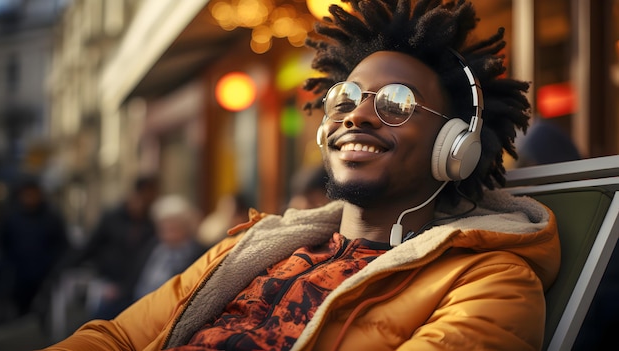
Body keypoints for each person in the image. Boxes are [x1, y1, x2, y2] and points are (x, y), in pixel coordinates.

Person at [41, 1, 560, 350]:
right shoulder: (251, 246)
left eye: (397, 103)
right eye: (346, 100)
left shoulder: (490, 281)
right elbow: (116, 337)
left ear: (456, 148)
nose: (356, 116)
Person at [58, 174, 159, 320]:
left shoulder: (151, 223)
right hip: (109, 282)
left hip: (135, 285)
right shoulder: (112, 218)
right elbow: (91, 246)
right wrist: (64, 267)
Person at [0, 174, 69, 318]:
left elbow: (62, 247)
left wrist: (55, 270)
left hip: (45, 279)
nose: (30, 197)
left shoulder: (51, 218)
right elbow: (3, 244)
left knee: (44, 316)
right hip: (18, 279)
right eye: (27, 194)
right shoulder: (12, 217)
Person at [131, 194, 206, 301]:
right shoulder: (153, 246)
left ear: (186, 227)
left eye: (173, 228)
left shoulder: (197, 253)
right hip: (136, 304)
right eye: (164, 228)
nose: (168, 234)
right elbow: (133, 279)